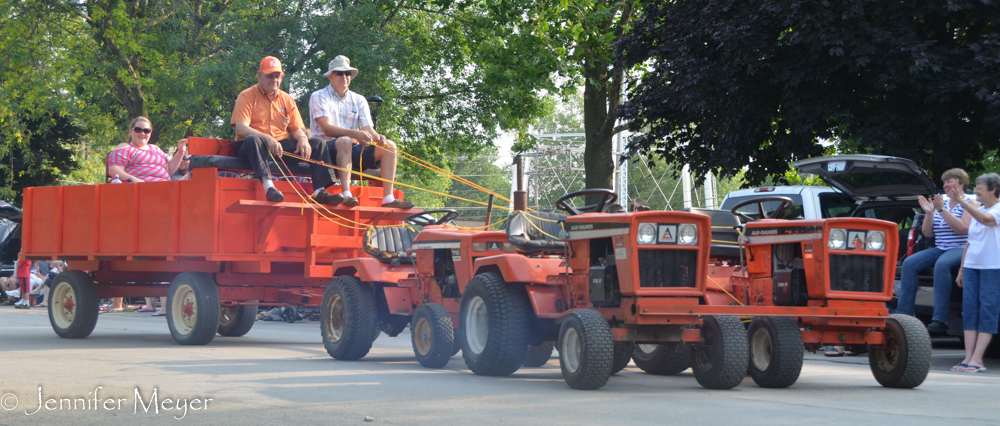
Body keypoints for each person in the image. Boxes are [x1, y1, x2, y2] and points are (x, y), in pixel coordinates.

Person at [231, 56, 341, 205]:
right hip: (252, 147)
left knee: (318, 144)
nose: (274, 80)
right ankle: (269, 187)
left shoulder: (287, 99)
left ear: (282, 77)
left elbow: (296, 129)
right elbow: (241, 128)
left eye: (277, 76)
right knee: (253, 139)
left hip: (279, 147)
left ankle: (320, 191)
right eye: (270, 76)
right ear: (259, 75)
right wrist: (267, 138)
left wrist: (302, 139)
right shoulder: (246, 95)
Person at [309, 55, 414, 209]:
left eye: (348, 74)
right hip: (325, 150)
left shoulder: (359, 99)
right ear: (330, 76)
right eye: (340, 73)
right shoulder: (318, 96)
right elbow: (327, 128)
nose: (344, 77)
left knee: (390, 146)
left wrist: (377, 137)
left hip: (352, 148)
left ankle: (388, 198)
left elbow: (367, 129)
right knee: (345, 140)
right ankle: (347, 194)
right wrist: (354, 134)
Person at [896, 168, 978, 334]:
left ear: (961, 183)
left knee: (942, 265)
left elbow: (962, 229)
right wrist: (929, 212)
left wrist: (941, 210)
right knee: (910, 263)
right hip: (941, 247)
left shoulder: (971, 202)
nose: (945, 185)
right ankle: (903, 314)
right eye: (944, 182)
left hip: (961, 248)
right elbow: (928, 233)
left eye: (949, 181)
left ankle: (940, 319)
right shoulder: (942, 204)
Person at [948, 173, 1000, 373]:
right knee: (969, 310)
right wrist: (961, 269)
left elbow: (985, 220)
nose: (975, 192)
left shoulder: (996, 209)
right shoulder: (978, 208)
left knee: (987, 310)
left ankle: (978, 359)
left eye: (979, 188)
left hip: (992, 267)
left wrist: (961, 200)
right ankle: (968, 358)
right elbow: (970, 242)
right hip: (972, 266)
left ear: (992, 189)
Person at [107, 117, 188, 182]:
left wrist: (180, 152)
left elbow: (169, 169)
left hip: (165, 188)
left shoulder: (156, 148)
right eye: (138, 130)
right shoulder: (124, 147)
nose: (142, 133)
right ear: (131, 131)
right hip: (138, 191)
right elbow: (113, 170)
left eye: (146, 131)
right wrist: (137, 181)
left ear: (150, 133)